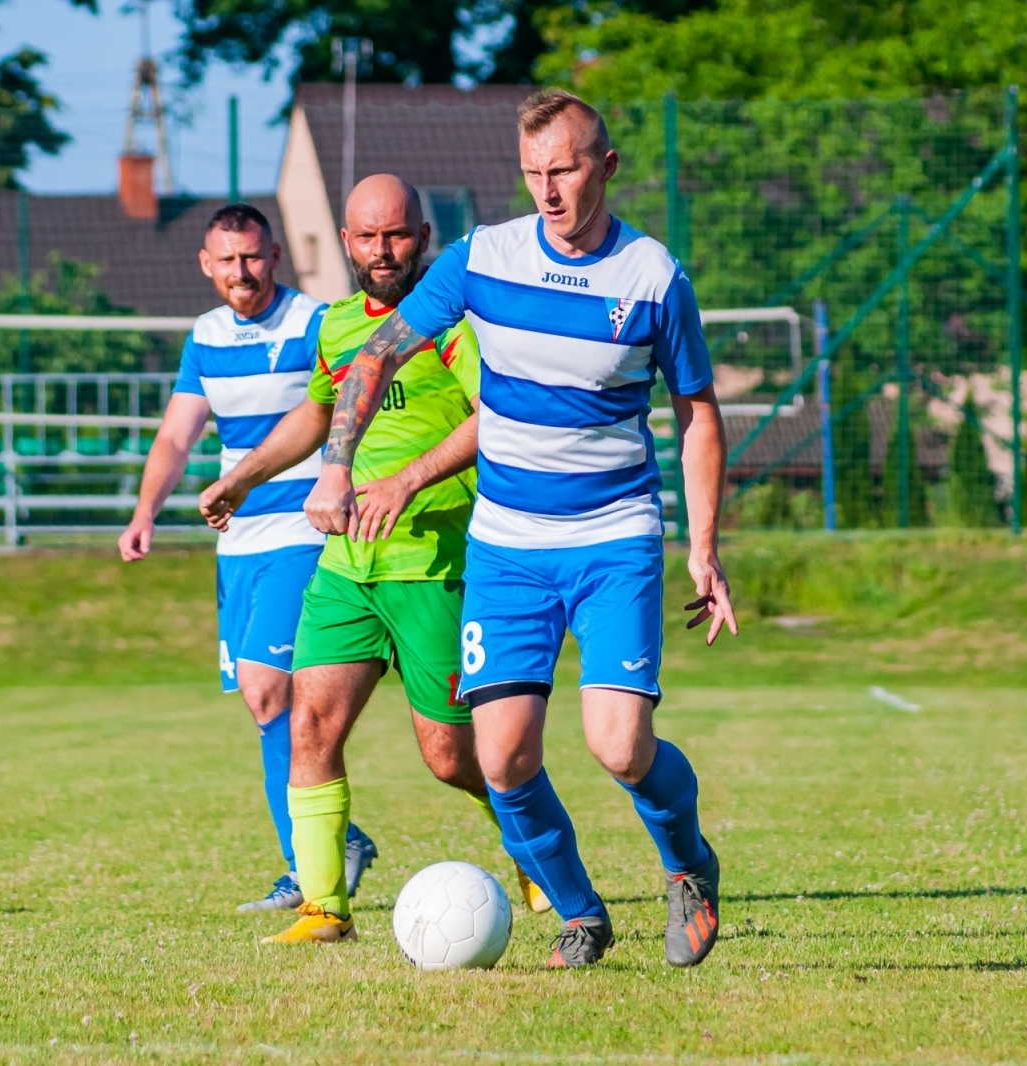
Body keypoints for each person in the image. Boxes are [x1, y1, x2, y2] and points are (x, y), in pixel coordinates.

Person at [300, 89, 739, 969]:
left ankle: (689, 864)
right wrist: (338, 464)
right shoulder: (483, 258)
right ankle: (581, 914)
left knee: (619, 745)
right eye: (534, 172)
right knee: (500, 760)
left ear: (605, 167)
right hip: (507, 547)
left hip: (614, 537)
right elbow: (376, 353)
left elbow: (697, 412)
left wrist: (702, 548)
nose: (549, 189)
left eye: (565, 170)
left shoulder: (653, 276)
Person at [198, 175, 550, 944]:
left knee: (451, 756)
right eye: (367, 237)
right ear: (346, 242)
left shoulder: (456, 325)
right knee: (308, 726)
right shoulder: (336, 327)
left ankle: (539, 853)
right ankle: (325, 908)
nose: (382, 251)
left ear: (422, 238)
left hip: (434, 565)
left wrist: (407, 480)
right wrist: (242, 477)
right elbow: (315, 414)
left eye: (396, 235)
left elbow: (497, 416)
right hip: (346, 568)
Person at [118, 203, 377, 913]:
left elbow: (351, 406)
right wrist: (145, 512)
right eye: (228, 260)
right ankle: (329, 847)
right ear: (206, 264)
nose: (242, 271)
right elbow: (176, 437)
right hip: (238, 544)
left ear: (276, 257)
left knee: (269, 688)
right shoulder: (204, 336)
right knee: (267, 712)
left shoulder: (314, 323)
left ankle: (313, 864)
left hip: (303, 532)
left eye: (253, 257)